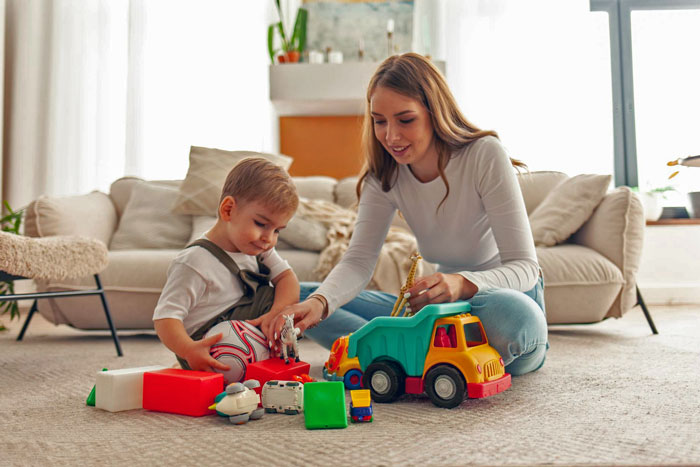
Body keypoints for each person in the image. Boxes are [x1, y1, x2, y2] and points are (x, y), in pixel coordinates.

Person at [252, 52, 548, 376]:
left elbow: (524, 268)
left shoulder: (484, 154)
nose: (391, 136)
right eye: (380, 121)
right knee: (301, 299)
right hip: (439, 313)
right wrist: (321, 304)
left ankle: (390, 351)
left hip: (500, 303)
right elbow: (358, 261)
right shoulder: (385, 176)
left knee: (514, 320)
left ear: (434, 113)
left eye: (405, 120)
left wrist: (462, 283)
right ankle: (405, 353)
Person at [153, 157, 300, 373]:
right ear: (228, 210)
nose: (269, 238)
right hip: (209, 351)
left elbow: (288, 279)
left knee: (297, 301)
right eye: (261, 224)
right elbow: (166, 317)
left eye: (277, 230)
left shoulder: (261, 248)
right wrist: (189, 350)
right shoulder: (194, 262)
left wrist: (276, 313)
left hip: (251, 337)